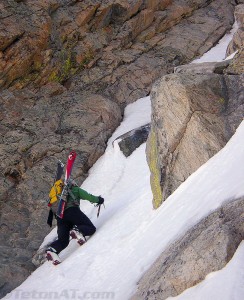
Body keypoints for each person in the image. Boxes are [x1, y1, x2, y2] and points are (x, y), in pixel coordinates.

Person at [46, 180, 104, 263]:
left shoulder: (57, 196)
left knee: (63, 240)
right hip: (72, 211)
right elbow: (88, 197)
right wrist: (99, 200)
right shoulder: (74, 189)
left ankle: (52, 249)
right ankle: (78, 231)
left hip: (60, 218)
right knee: (91, 228)